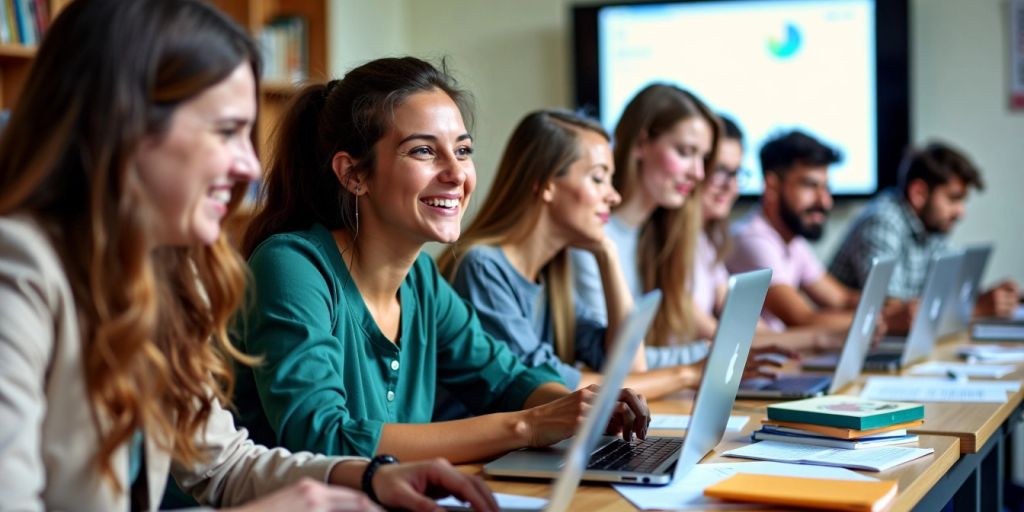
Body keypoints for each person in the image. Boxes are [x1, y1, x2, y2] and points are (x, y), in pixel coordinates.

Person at [0, 1, 498, 511]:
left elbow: (223, 464)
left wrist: (369, 477)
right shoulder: (18, 269)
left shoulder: (162, 279)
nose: (247, 164)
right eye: (225, 131)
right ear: (123, 124)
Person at [232, 57, 649, 465]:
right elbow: (322, 437)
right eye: (424, 151)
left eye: (463, 150)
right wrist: (530, 425)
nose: (456, 173)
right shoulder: (291, 266)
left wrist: (584, 407)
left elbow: (505, 377)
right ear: (353, 174)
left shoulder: (421, 280)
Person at [436, 109, 703, 420]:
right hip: (472, 460)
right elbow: (546, 387)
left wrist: (607, 255)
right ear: (547, 184)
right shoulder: (482, 266)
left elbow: (630, 366)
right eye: (598, 178)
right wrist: (686, 375)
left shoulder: (552, 276)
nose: (613, 196)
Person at [570, 84, 719, 368]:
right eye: (685, 152)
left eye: (703, 158)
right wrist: (703, 357)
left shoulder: (660, 236)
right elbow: (611, 356)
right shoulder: (589, 239)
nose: (698, 173)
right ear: (641, 144)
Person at [830, 142, 1018, 318]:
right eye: (953, 199)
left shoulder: (932, 228)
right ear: (918, 193)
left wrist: (986, 300)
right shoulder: (882, 222)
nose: (961, 212)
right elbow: (896, 313)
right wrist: (974, 309)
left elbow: (946, 295)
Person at [727, 130, 861, 332]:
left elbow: (841, 299)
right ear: (771, 185)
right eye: (810, 186)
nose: (825, 201)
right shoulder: (752, 239)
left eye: (826, 188)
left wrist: (896, 309)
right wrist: (886, 322)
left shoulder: (792, 239)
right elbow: (802, 320)